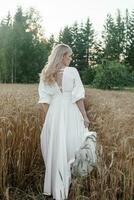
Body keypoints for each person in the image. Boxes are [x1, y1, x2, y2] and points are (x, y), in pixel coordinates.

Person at [37, 43, 96, 200]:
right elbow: (78, 97)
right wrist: (84, 116)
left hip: (54, 114)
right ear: (62, 56)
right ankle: (68, 186)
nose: (70, 58)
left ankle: (57, 188)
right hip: (71, 112)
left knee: (56, 148)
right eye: (68, 55)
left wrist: (51, 120)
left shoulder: (46, 73)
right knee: (73, 146)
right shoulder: (73, 72)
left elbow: (44, 101)